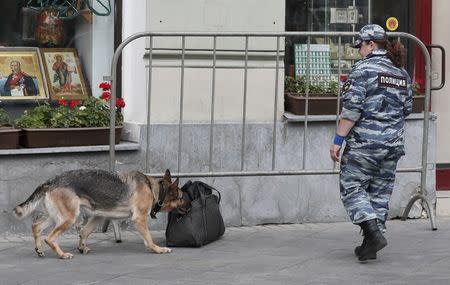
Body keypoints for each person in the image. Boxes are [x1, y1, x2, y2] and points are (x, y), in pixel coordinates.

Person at [329, 24, 412, 262]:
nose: (359, 52)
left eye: (361, 47)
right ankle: (370, 244)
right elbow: (406, 109)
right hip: (393, 144)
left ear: (371, 44)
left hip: (365, 143)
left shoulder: (362, 70)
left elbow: (351, 110)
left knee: (352, 186)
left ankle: (372, 232)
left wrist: (337, 140)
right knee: (380, 192)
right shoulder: (401, 73)